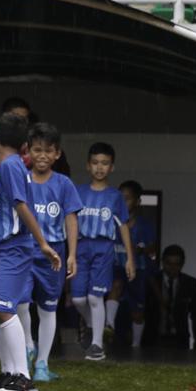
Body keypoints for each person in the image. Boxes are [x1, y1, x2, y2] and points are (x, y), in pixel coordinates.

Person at [0, 112, 59, 391]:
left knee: (4, 308)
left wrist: (42, 243)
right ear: (25, 145)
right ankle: (8, 373)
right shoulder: (6, 168)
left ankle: (23, 377)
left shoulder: (11, 166)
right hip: (3, 249)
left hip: (14, 247)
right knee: (1, 310)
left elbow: (21, 205)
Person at [21, 123, 82, 382]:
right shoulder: (21, 180)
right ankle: (27, 346)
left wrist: (71, 254)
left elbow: (71, 219)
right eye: (37, 150)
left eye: (48, 150)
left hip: (53, 255)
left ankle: (43, 364)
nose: (42, 155)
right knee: (20, 304)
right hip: (23, 251)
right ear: (29, 151)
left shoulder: (64, 184)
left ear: (57, 154)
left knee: (48, 309)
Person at [70, 142, 134, 362]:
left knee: (94, 296)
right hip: (80, 247)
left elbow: (123, 226)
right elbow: (70, 222)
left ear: (112, 167)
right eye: (95, 163)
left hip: (103, 248)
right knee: (78, 299)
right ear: (88, 166)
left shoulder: (115, 196)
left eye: (105, 163)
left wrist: (129, 258)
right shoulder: (78, 192)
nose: (100, 167)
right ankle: (92, 324)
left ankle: (97, 344)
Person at [142, 245, 196, 352]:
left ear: (182, 264)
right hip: (153, 339)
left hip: (179, 340)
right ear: (163, 262)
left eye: (176, 264)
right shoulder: (151, 282)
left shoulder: (191, 284)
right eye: (168, 263)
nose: (172, 267)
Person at [119, 180, 156, 348]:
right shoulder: (113, 222)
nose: (123, 202)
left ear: (137, 201)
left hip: (138, 271)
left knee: (137, 311)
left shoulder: (145, 225)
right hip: (115, 267)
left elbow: (152, 248)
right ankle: (108, 330)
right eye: (120, 198)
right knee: (113, 292)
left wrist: (142, 250)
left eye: (127, 198)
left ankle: (136, 346)